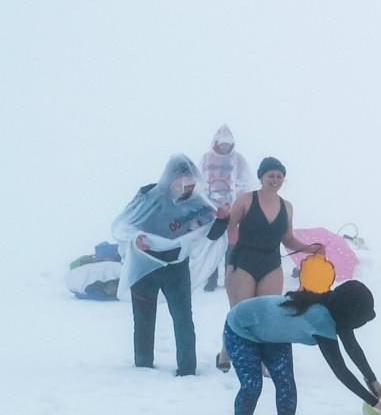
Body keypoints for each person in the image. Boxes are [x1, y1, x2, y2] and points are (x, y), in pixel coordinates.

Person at [223, 281, 381, 415]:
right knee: (252, 385)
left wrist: (372, 379)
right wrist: (373, 402)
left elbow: (352, 348)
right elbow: (340, 370)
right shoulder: (320, 319)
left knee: (286, 387)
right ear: (349, 314)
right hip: (241, 328)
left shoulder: (334, 310)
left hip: (274, 335)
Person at [215, 157, 323, 371]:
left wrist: (312, 248)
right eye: (270, 175)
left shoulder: (287, 207)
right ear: (261, 177)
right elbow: (231, 227)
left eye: (279, 176)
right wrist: (230, 253)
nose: (275, 180)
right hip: (243, 260)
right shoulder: (246, 199)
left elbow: (288, 239)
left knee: (266, 315)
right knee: (239, 312)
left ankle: (262, 360)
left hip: (271, 263)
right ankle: (227, 352)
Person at [111, 154, 215, 375]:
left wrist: (223, 219)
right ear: (170, 178)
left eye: (191, 182)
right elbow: (124, 225)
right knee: (143, 318)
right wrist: (135, 238)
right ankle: (143, 365)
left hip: (176, 269)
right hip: (145, 267)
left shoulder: (197, 204)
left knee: (183, 318)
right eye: (182, 181)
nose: (187, 186)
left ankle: (187, 368)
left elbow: (211, 232)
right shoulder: (147, 195)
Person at [198, 126, 249, 290]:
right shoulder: (206, 159)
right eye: (223, 144)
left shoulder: (238, 160)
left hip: (233, 208)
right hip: (211, 209)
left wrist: (240, 201)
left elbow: (246, 182)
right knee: (212, 244)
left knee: (231, 244)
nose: (225, 147)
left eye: (228, 144)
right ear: (216, 143)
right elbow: (199, 181)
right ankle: (210, 279)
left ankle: (229, 277)